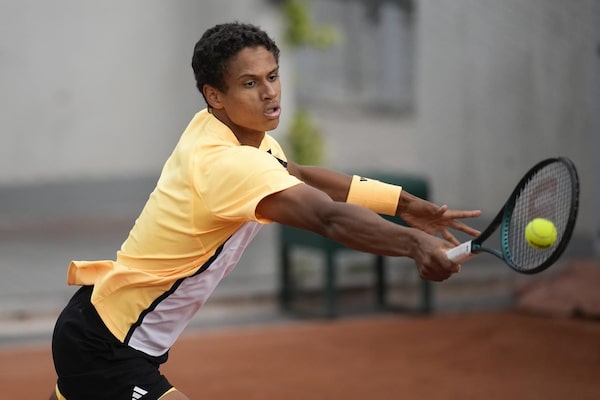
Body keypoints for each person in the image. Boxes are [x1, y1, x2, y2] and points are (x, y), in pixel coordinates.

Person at [49, 22, 481, 400]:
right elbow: (326, 218)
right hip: (107, 344)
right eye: (250, 83)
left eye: (272, 76)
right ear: (214, 95)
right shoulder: (227, 163)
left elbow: (301, 174)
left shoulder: (231, 135)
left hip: (102, 323)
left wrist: (405, 204)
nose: (270, 92)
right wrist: (414, 244)